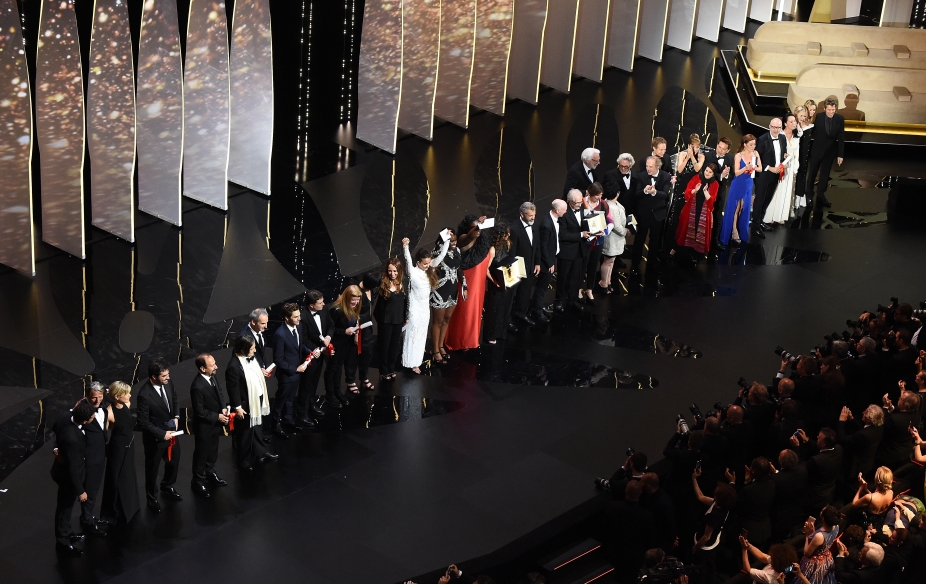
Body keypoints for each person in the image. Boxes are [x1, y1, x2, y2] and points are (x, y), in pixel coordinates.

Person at [136, 358, 182, 512]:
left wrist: (176, 417)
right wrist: (162, 434)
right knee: (152, 469)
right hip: (156, 438)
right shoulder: (144, 395)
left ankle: (167, 485)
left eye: (168, 374)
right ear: (154, 376)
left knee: (173, 462)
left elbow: (175, 400)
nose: (168, 378)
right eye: (164, 376)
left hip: (172, 431)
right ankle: (152, 497)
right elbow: (143, 422)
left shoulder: (168, 384)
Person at [51, 401, 96, 557]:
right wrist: (80, 491)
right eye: (92, 416)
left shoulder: (65, 416)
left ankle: (67, 531)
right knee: (64, 508)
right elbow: (73, 469)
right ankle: (62, 541)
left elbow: (54, 427)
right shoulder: (73, 440)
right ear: (85, 420)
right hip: (67, 477)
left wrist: (57, 448)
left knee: (67, 507)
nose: (94, 417)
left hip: (62, 471)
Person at [225, 335, 276, 471]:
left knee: (257, 427)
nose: (254, 351)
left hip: (256, 398)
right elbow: (233, 389)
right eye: (252, 348)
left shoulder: (252, 359)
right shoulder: (234, 366)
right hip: (245, 404)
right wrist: (238, 407)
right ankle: (243, 460)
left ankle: (260, 452)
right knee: (245, 434)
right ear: (243, 349)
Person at [403, 234, 449, 373]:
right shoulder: (413, 272)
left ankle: (416, 361)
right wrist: (405, 247)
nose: (428, 265)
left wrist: (446, 241)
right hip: (414, 309)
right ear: (418, 262)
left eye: (429, 263)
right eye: (425, 263)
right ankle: (409, 362)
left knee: (422, 335)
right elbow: (407, 259)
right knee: (412, 335)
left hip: (425, 309)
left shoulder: (429, 270)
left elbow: (441, 256)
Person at [445, 214, 491, 351]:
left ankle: (471, 340)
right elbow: (472, 235)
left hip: (479, 283)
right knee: (465, 310)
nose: (477, 230)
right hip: (467, 280)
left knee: (475, 310)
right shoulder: (463, 239)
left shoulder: (483, 240)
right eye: (473, 227)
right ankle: (460, 341)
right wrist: (477, 227)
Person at [189, 353, 229, 498]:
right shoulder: (197, 386)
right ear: (202, 368)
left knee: (212, 451)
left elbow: (219, 393)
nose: (216, 367)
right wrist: (217, 416)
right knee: (201, 454)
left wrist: (223, 407)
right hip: (204, 426)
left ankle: (210, 472)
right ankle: (198, 481)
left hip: (214, 424)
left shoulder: (212, 376)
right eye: (212, 365)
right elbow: (199, 411)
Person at [100, 381, 140, 525]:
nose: (130, 395)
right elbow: (103, 434)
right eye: (126, 393)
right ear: (117, 396)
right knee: (115, 479)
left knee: (128, 475)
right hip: (117, 448)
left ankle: (131, 506)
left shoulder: (126, 405)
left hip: (130, 445)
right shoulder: (109, 412)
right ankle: (112, 512)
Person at [272, 302, 310, 437]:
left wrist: (309, 351)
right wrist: (295, 369)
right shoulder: (280, 334)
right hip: (287, 374)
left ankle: (288, 420)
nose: (299, 319)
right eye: (295, 317)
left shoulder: (298, 327)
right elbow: (278, 360)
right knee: (280, 401)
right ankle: (275, 425)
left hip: (297, 373)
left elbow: (299, 346)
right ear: (287, 318)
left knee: (290, 399)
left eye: (299, 316)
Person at [631, 156, 672, 275]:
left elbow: (664, 195)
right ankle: (635, 264)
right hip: (643, 214)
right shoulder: (642, 176)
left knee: (655, 241)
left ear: (657, 166)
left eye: (650, 166)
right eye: (647, 166)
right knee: (639, 239)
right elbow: (636, 194)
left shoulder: (666, 176)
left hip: (658, 214)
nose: (647, 169)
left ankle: (651, 264)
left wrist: (654, 192)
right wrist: (644, 191)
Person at [717, 135, 760, 250]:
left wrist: (754, 167)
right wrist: (745, 168)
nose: (753, 146)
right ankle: (732, 233)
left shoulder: (755, 154)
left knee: (743, 208)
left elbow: (760, 168)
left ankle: (740, 232)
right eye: (751, 144)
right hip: (738, 184)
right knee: (734, 208)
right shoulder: (738, 155)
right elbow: (736, 173)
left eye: (754, 144)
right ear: (745, 144)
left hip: (748, 183)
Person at [76, 382, 108, 536]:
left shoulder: (103, 409)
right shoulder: (80, 411)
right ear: (87, 396)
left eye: (100, 397)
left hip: (100, 455)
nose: (97, 401)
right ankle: (87, 520)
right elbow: (69, 429)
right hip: (89, 458)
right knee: (89, 490)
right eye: (94, 398)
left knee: (94, 489)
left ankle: (88, 516)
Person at [483, 222, 522, 344]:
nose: (509, 235)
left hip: (507, 280)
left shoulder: (507, 244)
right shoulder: (492, 249)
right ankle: (491, 334)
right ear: (501, 234)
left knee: (505, 307)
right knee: (494, 309)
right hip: (496, 282)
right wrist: (495, 282)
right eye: (506, 233)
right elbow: (486, 269)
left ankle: (501, 332)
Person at [804, 97, 845, 209]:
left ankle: (821, 195)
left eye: (833, 109)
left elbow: (841, 137)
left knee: (825, 175)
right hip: (817, 150)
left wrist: (840, 154)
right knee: (812, 173)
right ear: (824, 108)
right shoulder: (819, 117)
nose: (831, 112)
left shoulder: (840, 119)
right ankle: (809, 194)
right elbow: (811, 130)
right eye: (829, 110)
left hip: (830, 152)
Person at [299, 290, 335, 414]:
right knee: (306, 384)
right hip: (310, 355)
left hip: (321, 354)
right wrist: (316, 349)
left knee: (314, 382)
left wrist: (328, 338)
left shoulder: (323, 310)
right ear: (311, 305)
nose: (324, 304)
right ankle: (302, 411)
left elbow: (331, 325)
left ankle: (311, 404)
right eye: (320, 302)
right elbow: (303, 339)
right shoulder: (303, 317)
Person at [674, 163, 719, 261]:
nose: (707, 173)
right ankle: (684, 253)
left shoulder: (715, 184)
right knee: (686, 230)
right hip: (690, 209)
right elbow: (687, 192)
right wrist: (695, 190)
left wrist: (706, 191)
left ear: (713, 174)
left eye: (710, 172)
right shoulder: (696, 177)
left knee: (699, 231)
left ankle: (696, 255)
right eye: (706, 170)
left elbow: (712, 201)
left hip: (704, 213)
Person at [752, 118, 789, 238]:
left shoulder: (782, 138)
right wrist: (769, 168)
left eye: (778, 128)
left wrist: (784, 160)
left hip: (775, 174)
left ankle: (761, 221)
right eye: (773, 127)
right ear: (769, 126)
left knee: (768, 199)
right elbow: (758, 158)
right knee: (759, 200)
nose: (775, 130)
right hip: (763, 175)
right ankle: (755, 226)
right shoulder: (762, 140)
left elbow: (782, 153)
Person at [326, 285, 364, 396]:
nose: (356, 303)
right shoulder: (336, 310)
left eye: (357, 300)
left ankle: (337, 391)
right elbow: (331, 329)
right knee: (332, 369)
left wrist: (355, 330)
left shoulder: (354, 307)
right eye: (353, 300)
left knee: (339, 368)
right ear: (347, 297)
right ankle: (330, 394)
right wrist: (344, 332)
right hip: (336, 344)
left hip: (346, 343)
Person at [763, 113, 800, 226]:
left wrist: (795, 168)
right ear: (785, 123)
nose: (794, 124)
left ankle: (780, 215)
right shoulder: (780, 135)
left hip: (790, 167)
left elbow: (796, 154)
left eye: (795, 121)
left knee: (786, 192)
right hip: (778, 168)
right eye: (791, 121)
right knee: (776, 191)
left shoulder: (796, 137)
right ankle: (770, 215)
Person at [531, 199, 565, 322]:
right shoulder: (546, 224)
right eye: (564, 210)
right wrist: (550, 263)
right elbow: (543, 246)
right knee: (541, 287)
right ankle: (537, 311)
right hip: (546, 261)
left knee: (544, 287)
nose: (565, 212)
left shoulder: (554, 220)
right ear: (557, 210)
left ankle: (539, 307)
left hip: (551, 258)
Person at [667, 134, 705, 243]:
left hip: (693, 187)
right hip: (681, 186)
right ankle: (672, 242)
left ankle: (685, 243)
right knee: (677, 214)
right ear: (689, 146)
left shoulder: (701, 157)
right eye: (693, 146)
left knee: (689, 216)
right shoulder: (682, 154)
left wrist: (692, 157)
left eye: (698, 147)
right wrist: (687, 157)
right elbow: (679, 170)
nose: (696, 149)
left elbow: (697, 169)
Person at [430, 230, 460, 363]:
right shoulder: (437, 252)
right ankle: (435, 349)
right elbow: (434, 263)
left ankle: (441, 346)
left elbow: (459, 269)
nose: (453, 243)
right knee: (437, 321)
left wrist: (464, 285)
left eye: (454, 240)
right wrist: (444, 239)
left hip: (452, 290)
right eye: (451, 240)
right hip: (440, 291)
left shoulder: (457, 251)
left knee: (447, 319)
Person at [375, 258, 406, 380]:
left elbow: (405, 303)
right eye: (390, 271)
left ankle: (391, 368)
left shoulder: (403, 283)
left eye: (395, 271)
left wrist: (405, 317)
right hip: (386, 321)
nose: (392, 274)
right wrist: (381, 320)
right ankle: (384, 370)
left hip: (398, 320)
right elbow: (379, 307)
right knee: (384, 346)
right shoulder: (383, 284)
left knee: (394, 346)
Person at [580, 182, 611, 303]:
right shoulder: (582, 202)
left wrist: (605, 231)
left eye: (600, 195)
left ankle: (589, 290)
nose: (599, 197)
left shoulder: (603, 204)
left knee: (593, 266)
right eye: (596, 195)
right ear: (590, 193)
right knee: (583, 265)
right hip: (585, 240)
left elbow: (609, 221)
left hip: (598, 240)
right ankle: (578, 289)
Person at [509, 202, 538, 326]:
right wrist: (514, 269)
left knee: (525, 292)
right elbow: (512, 252)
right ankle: (508, 320)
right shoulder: (515, 229)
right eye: (530, 215)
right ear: (522, 214)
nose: (532, 218)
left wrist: (537, 263)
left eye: (534, 215)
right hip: (517, 267)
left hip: (530, 265)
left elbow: (537, 247)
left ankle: (521, 314)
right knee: (512, 294)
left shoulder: (534, 226)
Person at [598, 180, 627, 294]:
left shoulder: (610, 203)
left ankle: (608, 281)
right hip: (612, 239)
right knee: (607, 261)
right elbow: (616, 226)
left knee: (611, 261)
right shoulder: (611, 207)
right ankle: (604, 282)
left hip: (614, 239)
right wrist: (626, 231)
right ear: (617, 193)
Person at [800, 506, 840, 584]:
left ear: (823, 518)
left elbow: (807, 553)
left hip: (815, 563)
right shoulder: (837, 527)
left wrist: (808, 536)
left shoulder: (819, 536)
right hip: (826, 557)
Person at [704, 137, 733, 246]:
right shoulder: (708, 156)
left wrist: (726, 176)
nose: (720, 150)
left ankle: (714, 241)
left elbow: (732, 174)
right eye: (719, 147)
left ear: (728, 150)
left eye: (723, 149)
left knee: (717, 216)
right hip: (707, 190)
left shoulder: (730, 158)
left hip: (720, 191)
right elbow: (704, 174)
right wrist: (721, 175)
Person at [737, 537, 802, 583]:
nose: (771, 557)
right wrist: (749, 546)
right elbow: (762, 556)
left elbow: (747, 569)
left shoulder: (770, 577)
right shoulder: (782, 564)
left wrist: (744, 549)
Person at [354, 272, 378, 389]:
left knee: (367, 353)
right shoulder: (356, 291)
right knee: (354, 354)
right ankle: (351, 381)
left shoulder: (372, 290)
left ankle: (364, 377)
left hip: (367, 326)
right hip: (356, 327)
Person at [794, 100, 816, 210]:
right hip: (794, 154)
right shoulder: (793, 127)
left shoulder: (810, 126)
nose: (803, 117)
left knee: (802, 175)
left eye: (804, 116)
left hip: (804, 155)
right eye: (801, 115)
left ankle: (799, 197)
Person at [603, 152, 637, 219]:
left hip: (633, 211)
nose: (623, 168)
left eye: (626, 167)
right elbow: (605, 193)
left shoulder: (637, 174)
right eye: (621, 166)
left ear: (631, 166)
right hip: (616, 211)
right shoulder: (609, 175)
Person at [241, 307, 270, 371]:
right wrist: (259, 368)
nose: (266, 326)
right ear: (253, 322)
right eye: (263, 323)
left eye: (266, 323)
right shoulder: (244, 336)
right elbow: (244, 360)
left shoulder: (260, 330)